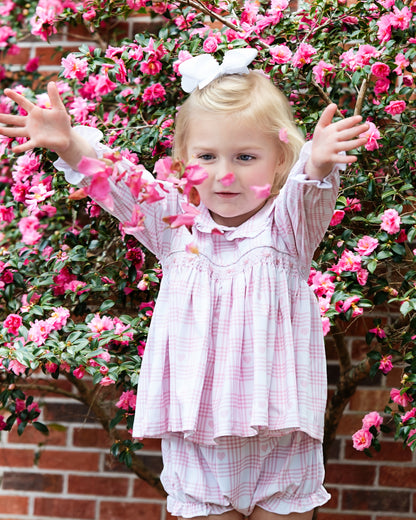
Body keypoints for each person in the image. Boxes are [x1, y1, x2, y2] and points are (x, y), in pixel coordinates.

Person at [0, 49, 369, 520]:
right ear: (183, 162)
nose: (225, 173)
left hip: (280, 442)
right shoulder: (176, 225)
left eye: (246, 156)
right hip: (198, 442)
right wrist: (70, 145)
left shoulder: (287, 229)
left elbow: (309, 193)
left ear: (280, 161)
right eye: (207, 157)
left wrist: (316, 164)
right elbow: (120, 181)